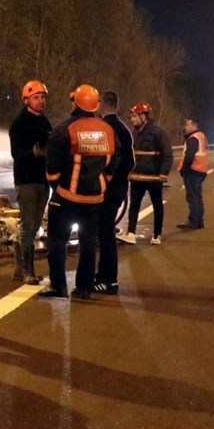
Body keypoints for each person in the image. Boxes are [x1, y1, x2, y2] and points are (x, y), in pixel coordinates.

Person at [40, 84, 120, 300]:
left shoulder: (65, 129)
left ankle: (58, 286)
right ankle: (84, 287)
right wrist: (105, 179)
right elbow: (115, 159)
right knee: (88, 242)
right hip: (95, 199)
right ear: (94, 105)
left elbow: (52, 166)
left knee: (57, 241)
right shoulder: (107, 130)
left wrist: (56, 187)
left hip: (66, 197)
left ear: (75, 103)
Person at [8, 80, 51, 284]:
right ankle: (27, 271)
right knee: (28, 225)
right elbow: (16, 153)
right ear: (26, 100)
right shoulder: (19, 123)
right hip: (26, 180)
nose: (41, 101)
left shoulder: (45, 123)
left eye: (43, 97)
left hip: (43, 181)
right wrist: (35, 152)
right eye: (36, 97)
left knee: (34, 226)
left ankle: (20, 269)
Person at [94, 91, 134, 294]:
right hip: (119, 187)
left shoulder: (106, 128)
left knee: (105, 233)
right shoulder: (124, 129)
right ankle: (106, 277)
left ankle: (107, 279)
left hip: (108, 188)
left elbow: (104, 159)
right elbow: (131, 162)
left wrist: (107, 178)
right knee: (106, 231)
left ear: (102, 104)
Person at [125, 102, 173, 245]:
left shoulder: (158, 133)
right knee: (134, 205)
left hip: (153, 178)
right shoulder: (133, 134)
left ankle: (157, 234)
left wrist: (163, 173)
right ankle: (131, 232)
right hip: (137, 177)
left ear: (143, 116)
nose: (132, 119)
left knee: (157, 205)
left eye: (134, 116)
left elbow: (167, 154)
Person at [177, 117, 209, 230]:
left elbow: (189, 156)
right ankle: (199, 220)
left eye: (187, 125)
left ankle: (193, 221)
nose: (185, 127)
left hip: (193, 171)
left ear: (193, 126)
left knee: (192, 197)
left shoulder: (193, 138)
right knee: (197, 196)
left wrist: (184, 170)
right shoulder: (201, 136)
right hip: (200, 170)